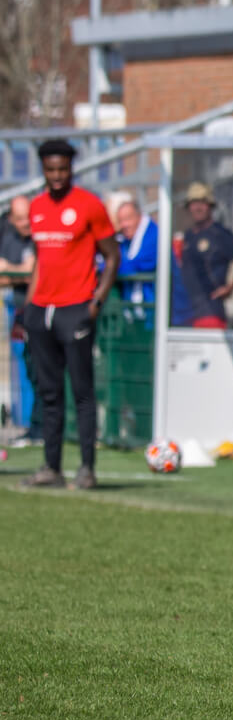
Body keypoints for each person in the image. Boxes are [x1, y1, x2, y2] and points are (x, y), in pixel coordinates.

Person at [21, 139, 120, 489]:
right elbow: (40, 263)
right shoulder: (36, 207)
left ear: (71, 169)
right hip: (41, 311)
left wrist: (96, 301)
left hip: (75, 308)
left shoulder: (89, 205)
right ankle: (51, 466)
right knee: (49, 392)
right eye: (51, 170)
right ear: (43, 170)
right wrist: (28, 309)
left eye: (63, 169)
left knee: (82, 390)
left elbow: (112, 256)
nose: (57, 176)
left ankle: (87, 469)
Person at [178, 182, 233, 329]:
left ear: (210, 206)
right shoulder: (188, 235)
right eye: (193, 203)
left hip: (210, 313)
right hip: (185, 313)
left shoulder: (219, 234)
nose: (197, 207)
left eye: (202, 202)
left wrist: (230, 287)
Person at [1, 196, 40, 446]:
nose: (26, 222)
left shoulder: (40, 237)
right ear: (11, 220)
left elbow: (34, 272)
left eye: (29, 216)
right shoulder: (8, 238)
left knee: (43, 371)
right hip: (20, 313)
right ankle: (33, 427)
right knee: (28, 367)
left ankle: (43, 428)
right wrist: (21, 272)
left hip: (43, 310)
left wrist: (12, 270)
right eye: (20, 218)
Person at [113, 200, 159, 309]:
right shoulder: (124, 241)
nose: (124, 225)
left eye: (128, 219)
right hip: (133, 308)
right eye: (121, 221)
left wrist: (107, 268)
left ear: (139, 216)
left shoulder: (154, 236)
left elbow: (136, 265)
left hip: (154, 308)